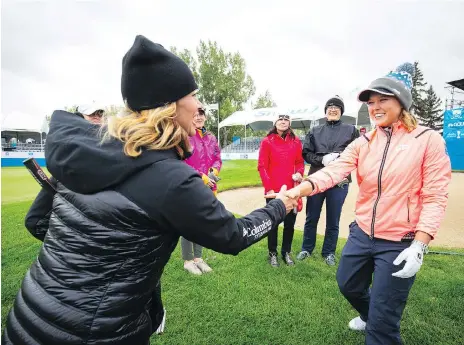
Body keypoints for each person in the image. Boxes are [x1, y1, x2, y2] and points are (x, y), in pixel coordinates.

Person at [1, 35, 297, 345]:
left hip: (24, 322)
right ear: (171, 104)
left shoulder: (84, 150)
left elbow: (37, 222)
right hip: (97, 335)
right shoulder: (173, 179)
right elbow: (234, 236)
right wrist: (281, 205)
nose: (198, 105)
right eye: (194, 95)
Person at [268, 62, 452, 345]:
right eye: (371, 102)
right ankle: (371, 315)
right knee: (348, 284)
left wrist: (420, 244)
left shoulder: (428, 140)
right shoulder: (365, 141)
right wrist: (299, 190)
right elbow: (334, 171)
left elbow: (436, 195)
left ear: (401, 102)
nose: (375, 107)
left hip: (399, 241)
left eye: (383, 100)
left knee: (383, 328)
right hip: (363, 233)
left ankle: (378, 323)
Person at [297, 95, 359, 266]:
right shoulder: (315, 131)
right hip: (317, 178)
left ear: (341, 111)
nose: (333, 109)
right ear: (325, 111)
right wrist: (322, 160)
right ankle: (306, 248)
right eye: (330, 107)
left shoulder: (351, 130)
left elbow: (357, 153)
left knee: (334, 218)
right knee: (312, 216)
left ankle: (329, 252)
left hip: (340, 181)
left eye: (336, 107)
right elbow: (306, 153)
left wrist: (339, 159)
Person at [258, 113, 305, 267]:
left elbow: (299, 162)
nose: (283, 122)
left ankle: (286, 252)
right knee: (273, 223)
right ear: (275, 122)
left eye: (286, 120)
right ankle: (272, 253)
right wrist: (269, 188)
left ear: (289, 123)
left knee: (290, 224)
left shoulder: (296, 141)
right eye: (280, 119)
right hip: (274, 191)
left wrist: (299, 173)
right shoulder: (267, 141)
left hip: (291, 189)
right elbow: (262, 166)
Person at [181, 106, 222, 275]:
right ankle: (188, 260)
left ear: (205, 118)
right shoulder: (185, 136)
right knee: (189, 223)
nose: (198, 117)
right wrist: (202, 177)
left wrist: (214, 171)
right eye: (195, 115)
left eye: (201, 115)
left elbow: (217, 158)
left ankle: (198, 258)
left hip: (209, 185)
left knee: (202, 222)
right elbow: (181, 161)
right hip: (191, 184)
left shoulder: (211, 137)